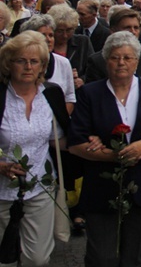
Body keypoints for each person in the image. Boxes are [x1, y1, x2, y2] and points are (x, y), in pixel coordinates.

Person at [68, 31, 141, 267]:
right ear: (106, 61)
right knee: (101, 256)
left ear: (137, 61)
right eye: (115, 57)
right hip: (101, 183)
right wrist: (113, 156)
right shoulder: (90, 93)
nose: (121, 63)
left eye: (127, 58)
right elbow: (76, 143)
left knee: (135, 256)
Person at [0, 31, 70, 266]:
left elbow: (59, 140)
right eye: (21, 60)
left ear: (43, 66)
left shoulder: (51, 94)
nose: (28, 66)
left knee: (37, 258)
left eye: (35, 61)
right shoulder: (1, 95)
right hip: (1, 191)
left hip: (40, 185)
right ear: (9, 64)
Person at [84, 8, 141, 83]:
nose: (133, 32)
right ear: (113, 31)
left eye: (136, 28)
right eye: (127, 27)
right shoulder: (97, 61)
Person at [20, 15, 76, 113]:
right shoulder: (20, 64)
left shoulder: (63, 63)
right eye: (43, 35)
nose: (48, 40)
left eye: (51, 35)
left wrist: (59, 119)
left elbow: (70, 97)